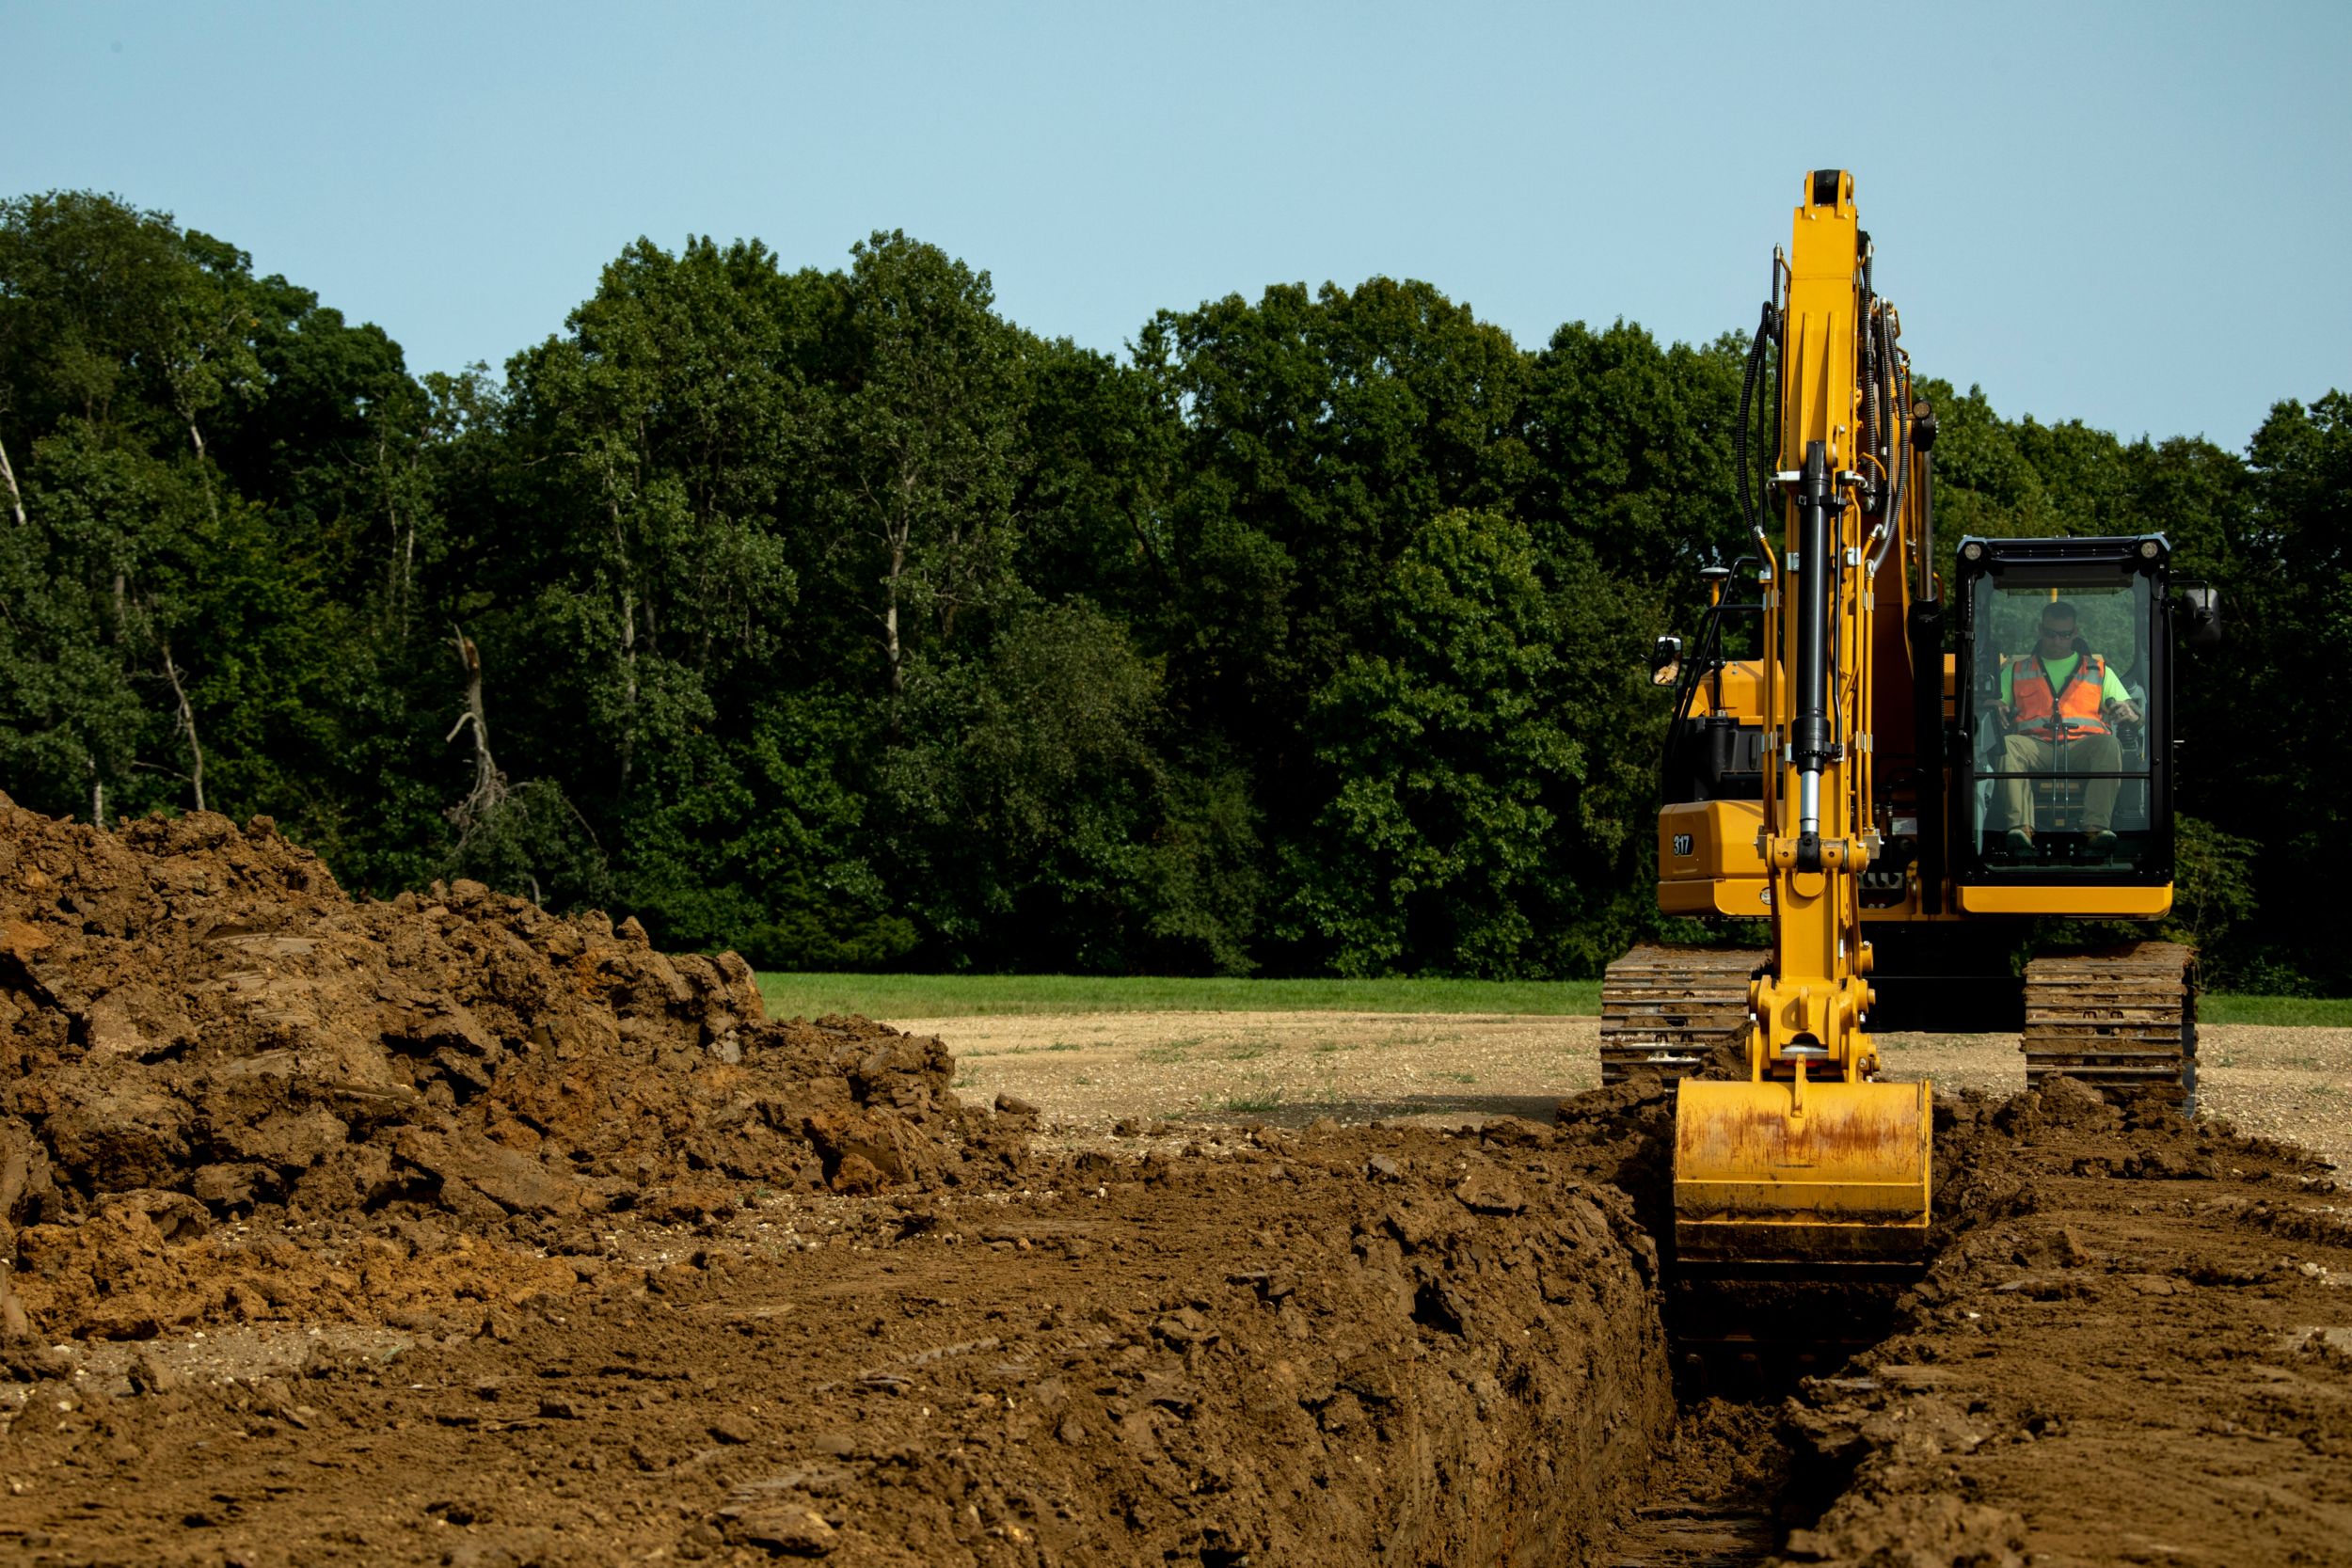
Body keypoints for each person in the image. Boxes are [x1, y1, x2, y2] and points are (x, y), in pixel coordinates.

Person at [1996, 599, 2141, 851]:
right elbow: (1995, 703)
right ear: (2040, 630)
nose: (2057, 641)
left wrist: (2131, 713)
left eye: (2064, 635)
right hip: (2036, 746)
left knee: (2109, 744)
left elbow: (2135, 713)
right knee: (2007, 745)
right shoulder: (2015, 670)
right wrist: (1996, 706)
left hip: (2083, 747)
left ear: (2075, 633)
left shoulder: (2099, 671)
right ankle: (2020, 829)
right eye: (2051, 634)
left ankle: (2096, 829)